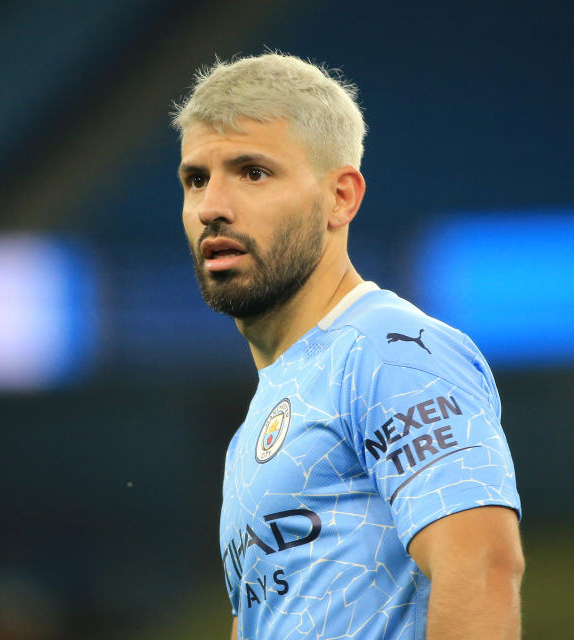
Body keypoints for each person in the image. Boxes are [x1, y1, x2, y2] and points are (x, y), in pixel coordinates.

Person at [173, 53, 523, 640]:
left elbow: (482, 568)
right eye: (196, 179)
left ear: (341, 197)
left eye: (253, 172)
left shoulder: (391, 352)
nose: (211, 207)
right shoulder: (258, 424)